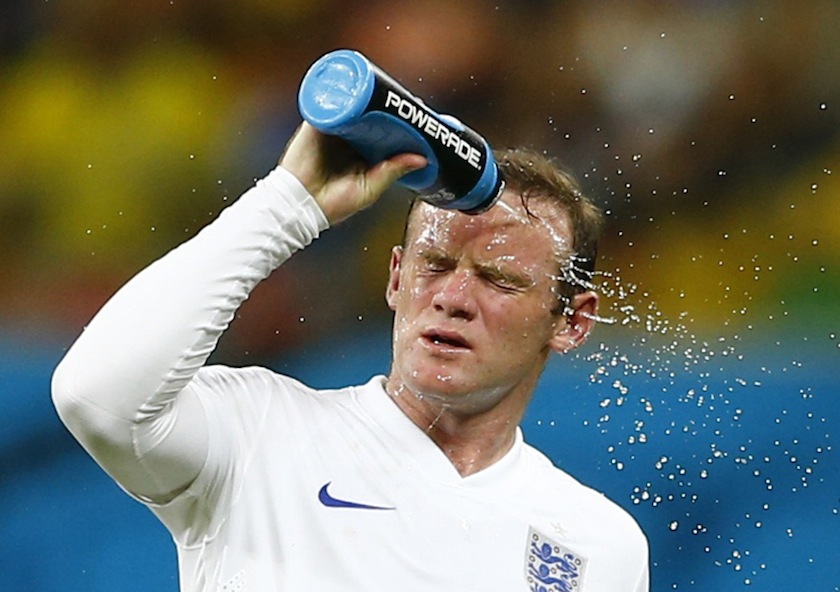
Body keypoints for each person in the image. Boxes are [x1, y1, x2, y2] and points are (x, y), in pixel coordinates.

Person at [52, 122, 649, 591]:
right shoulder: (260, 431)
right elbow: (95, 396)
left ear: (572, 321)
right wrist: (287, 203)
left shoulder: (599, 545)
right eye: (434, 265)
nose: (453, 297)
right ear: (395, 278)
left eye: (498, 280)